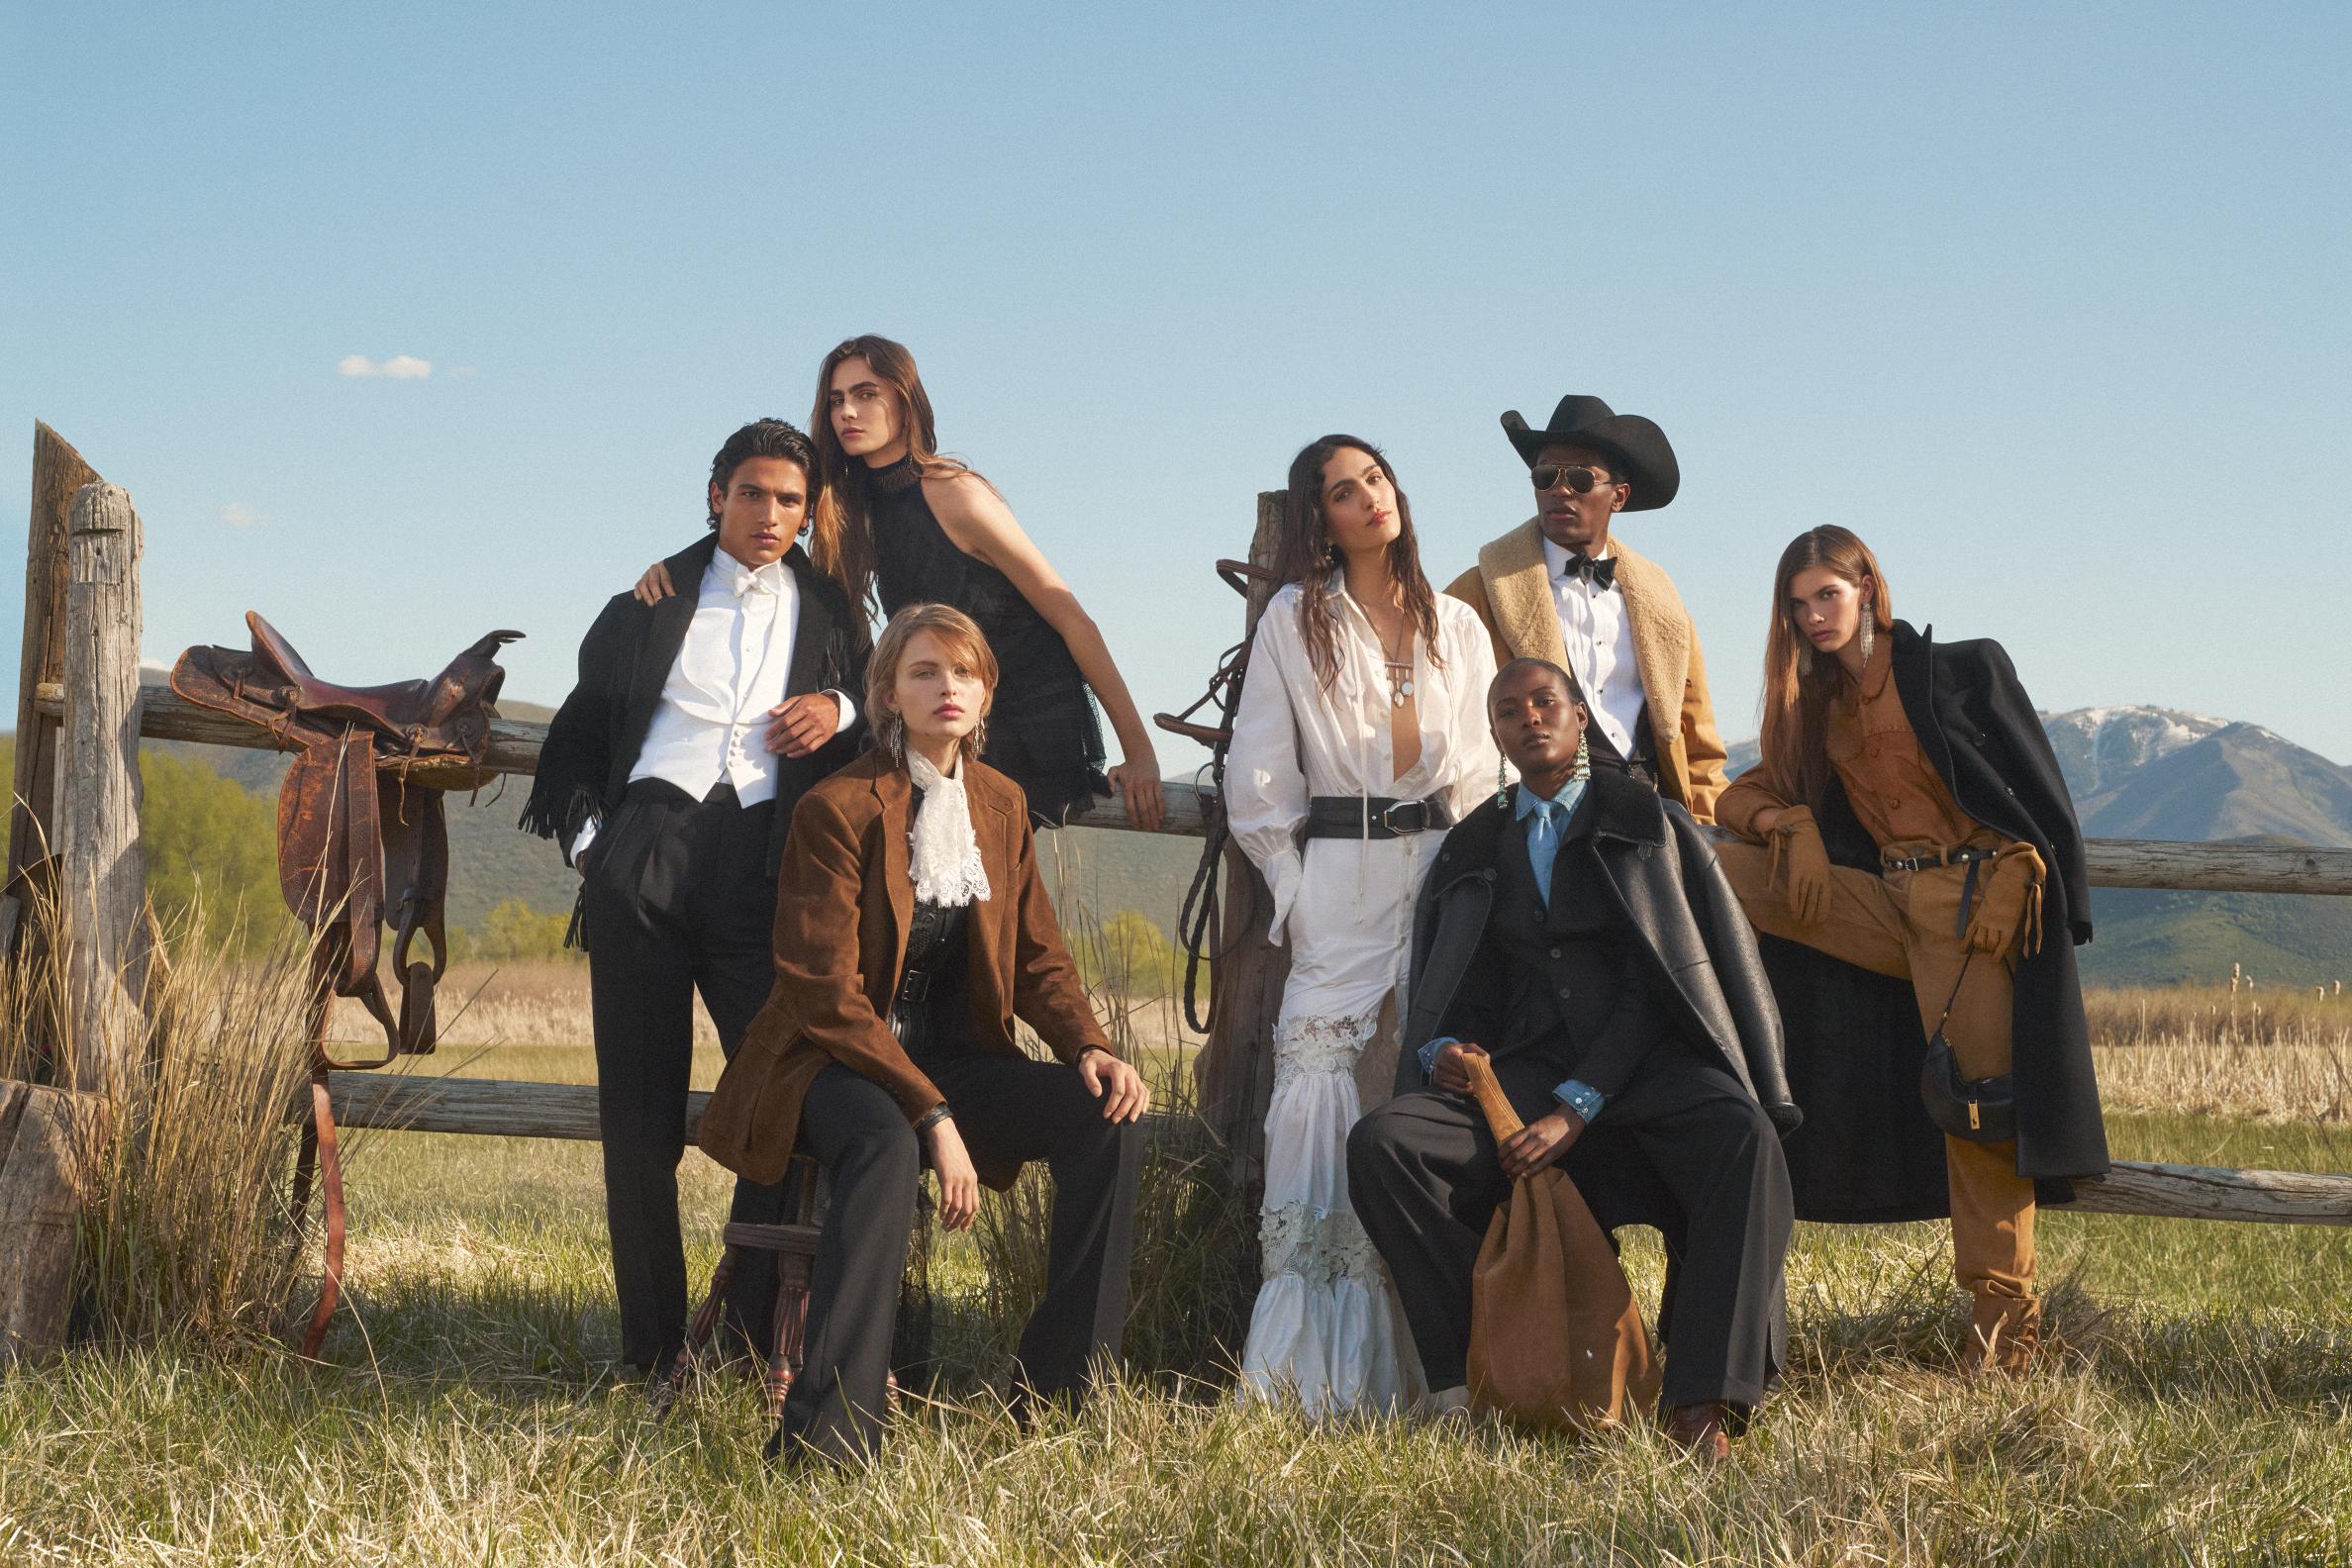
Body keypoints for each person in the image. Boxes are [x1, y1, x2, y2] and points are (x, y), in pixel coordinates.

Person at [694, 602, 1151, 1464]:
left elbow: (1039, 958)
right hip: (828, 1062)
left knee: (1106, 1119)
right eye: (924, 671)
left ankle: (1058, 1400)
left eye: (964, 672)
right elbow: (824, 992)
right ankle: (828, 1438)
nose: (947, 687)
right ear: (888, 695)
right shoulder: (837, 806)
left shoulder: (1001, 804)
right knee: (885, 1143)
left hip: (950, 1061)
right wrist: (932, 1116)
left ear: (986, 694)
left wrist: (1089, 1046)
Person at [1347, 657, 1798, 1459]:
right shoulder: (1476, 842)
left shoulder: (1646, 821)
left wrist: (1578, 1105)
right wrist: (1448, 1049)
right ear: (1495, 733)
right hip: (1525, 1072)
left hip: (1646, 1066)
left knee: (1744, 1138)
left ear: (1580, 716)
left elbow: (1661, 983)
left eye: (1544, 701)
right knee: (1387, 1145)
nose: (1529, 718)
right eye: (1508, 710)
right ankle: (1482, 1372)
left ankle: (1702, 1401)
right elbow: (1464, 983)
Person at [1711, 526, 2108, 1374]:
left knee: (1977, 1113)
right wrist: (1790, 822)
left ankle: (2004, 1337)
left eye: (1828, 594)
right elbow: (1734, 797)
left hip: (1971, 911)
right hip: (1884, 900)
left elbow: (2034, 792)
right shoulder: (1817, 709)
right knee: (1710, 867)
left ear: (1867, 588)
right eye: (1797, 604)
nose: (1814, 616)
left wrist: (2022, 866)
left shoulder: (1957, 669)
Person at [520, 418, 869, 1375]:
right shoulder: (648, 603)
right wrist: (595, 848)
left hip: (765, 869)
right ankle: (654, 1354)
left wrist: (838, 706)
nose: (769, 514)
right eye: (751, 493)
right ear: (717, 497)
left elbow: (882, 700)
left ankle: (743, 1333)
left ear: (809, 513)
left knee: (784, 1093)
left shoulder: (833, 613)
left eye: (789, 500)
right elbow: (576, 740)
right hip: (645, 857)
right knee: (638, 1122)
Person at [1223, 434, 1502, 1416]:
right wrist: (1291, 887)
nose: (1371, 498)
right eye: (1345, 492)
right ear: (1321, 521)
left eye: (1376, 479)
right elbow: (1259, 772)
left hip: (1443, 873)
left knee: (1430, 1083)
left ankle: (1446, 1364)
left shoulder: (1457, 624)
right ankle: (1316, 1375)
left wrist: (1481, 892)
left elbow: (1483, 771)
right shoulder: (1295, 621)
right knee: (1322, 1084)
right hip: (1338, 879)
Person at [632, 335, 1165, 832]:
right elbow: (767, 536)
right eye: (836, 399)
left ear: (905, 400)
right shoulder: (848, 510)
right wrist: (685, 565)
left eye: (866, 394)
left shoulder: (956, 492)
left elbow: (1072, 618)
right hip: (938, 709)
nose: (847, 411)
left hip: (1025, 713)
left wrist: (1139, 753)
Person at [1444, 395, 1730, 821]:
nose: (1560, 490)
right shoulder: (1475, 595)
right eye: (1545, 476)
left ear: (1619, 496)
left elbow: (1698, 740)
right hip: (1538, 822)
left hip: (1653, 819)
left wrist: (1705, 827)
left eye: (1580, 478)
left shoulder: (1662, 602)